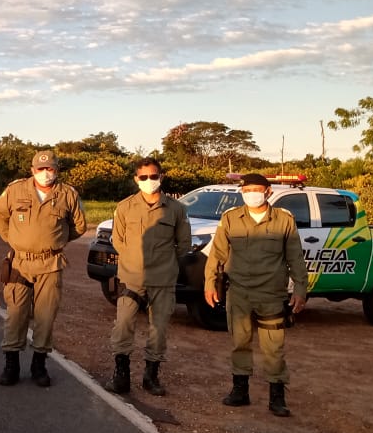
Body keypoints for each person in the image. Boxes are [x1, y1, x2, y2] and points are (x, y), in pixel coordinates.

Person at [203, 173, 307, 417]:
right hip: (239, 292)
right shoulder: (231, 218)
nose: (251, 194)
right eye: (247, 190)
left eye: (256, 190)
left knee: (274, 347)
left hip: (271, 294)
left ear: (268, 192)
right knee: (240, 343)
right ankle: (240, 391)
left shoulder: (284, 220)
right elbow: (217, 254)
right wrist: (209, 283)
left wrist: (300, 289)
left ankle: (277, 397)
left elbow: (295, 257)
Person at [0, 150, 87, 387]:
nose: (45, 173)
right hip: (19, 262)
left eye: (50, 169)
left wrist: (57, 240)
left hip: (50, 263)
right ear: (32, 170)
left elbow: (79, 226)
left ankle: (39, 364)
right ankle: (11, 365)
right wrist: (13, 239)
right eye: (41, 169)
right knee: (16, 314)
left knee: (46, 316)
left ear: (57, 170)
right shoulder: (15, 190)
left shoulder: (67, 194)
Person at [105, 158, 191, 396]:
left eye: (153, 176)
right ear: (136, 179)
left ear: (161, 177)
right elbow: (118, 241)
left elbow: (184, 244)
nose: (149, 181)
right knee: (123, 324)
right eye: (143, 177)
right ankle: (121, 375)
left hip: (162, 279)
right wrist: (135, 260)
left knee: (159, 329)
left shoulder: (175, 209)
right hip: (131, 278)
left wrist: (163, 261)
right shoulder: (125, 207)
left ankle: (151, 376)